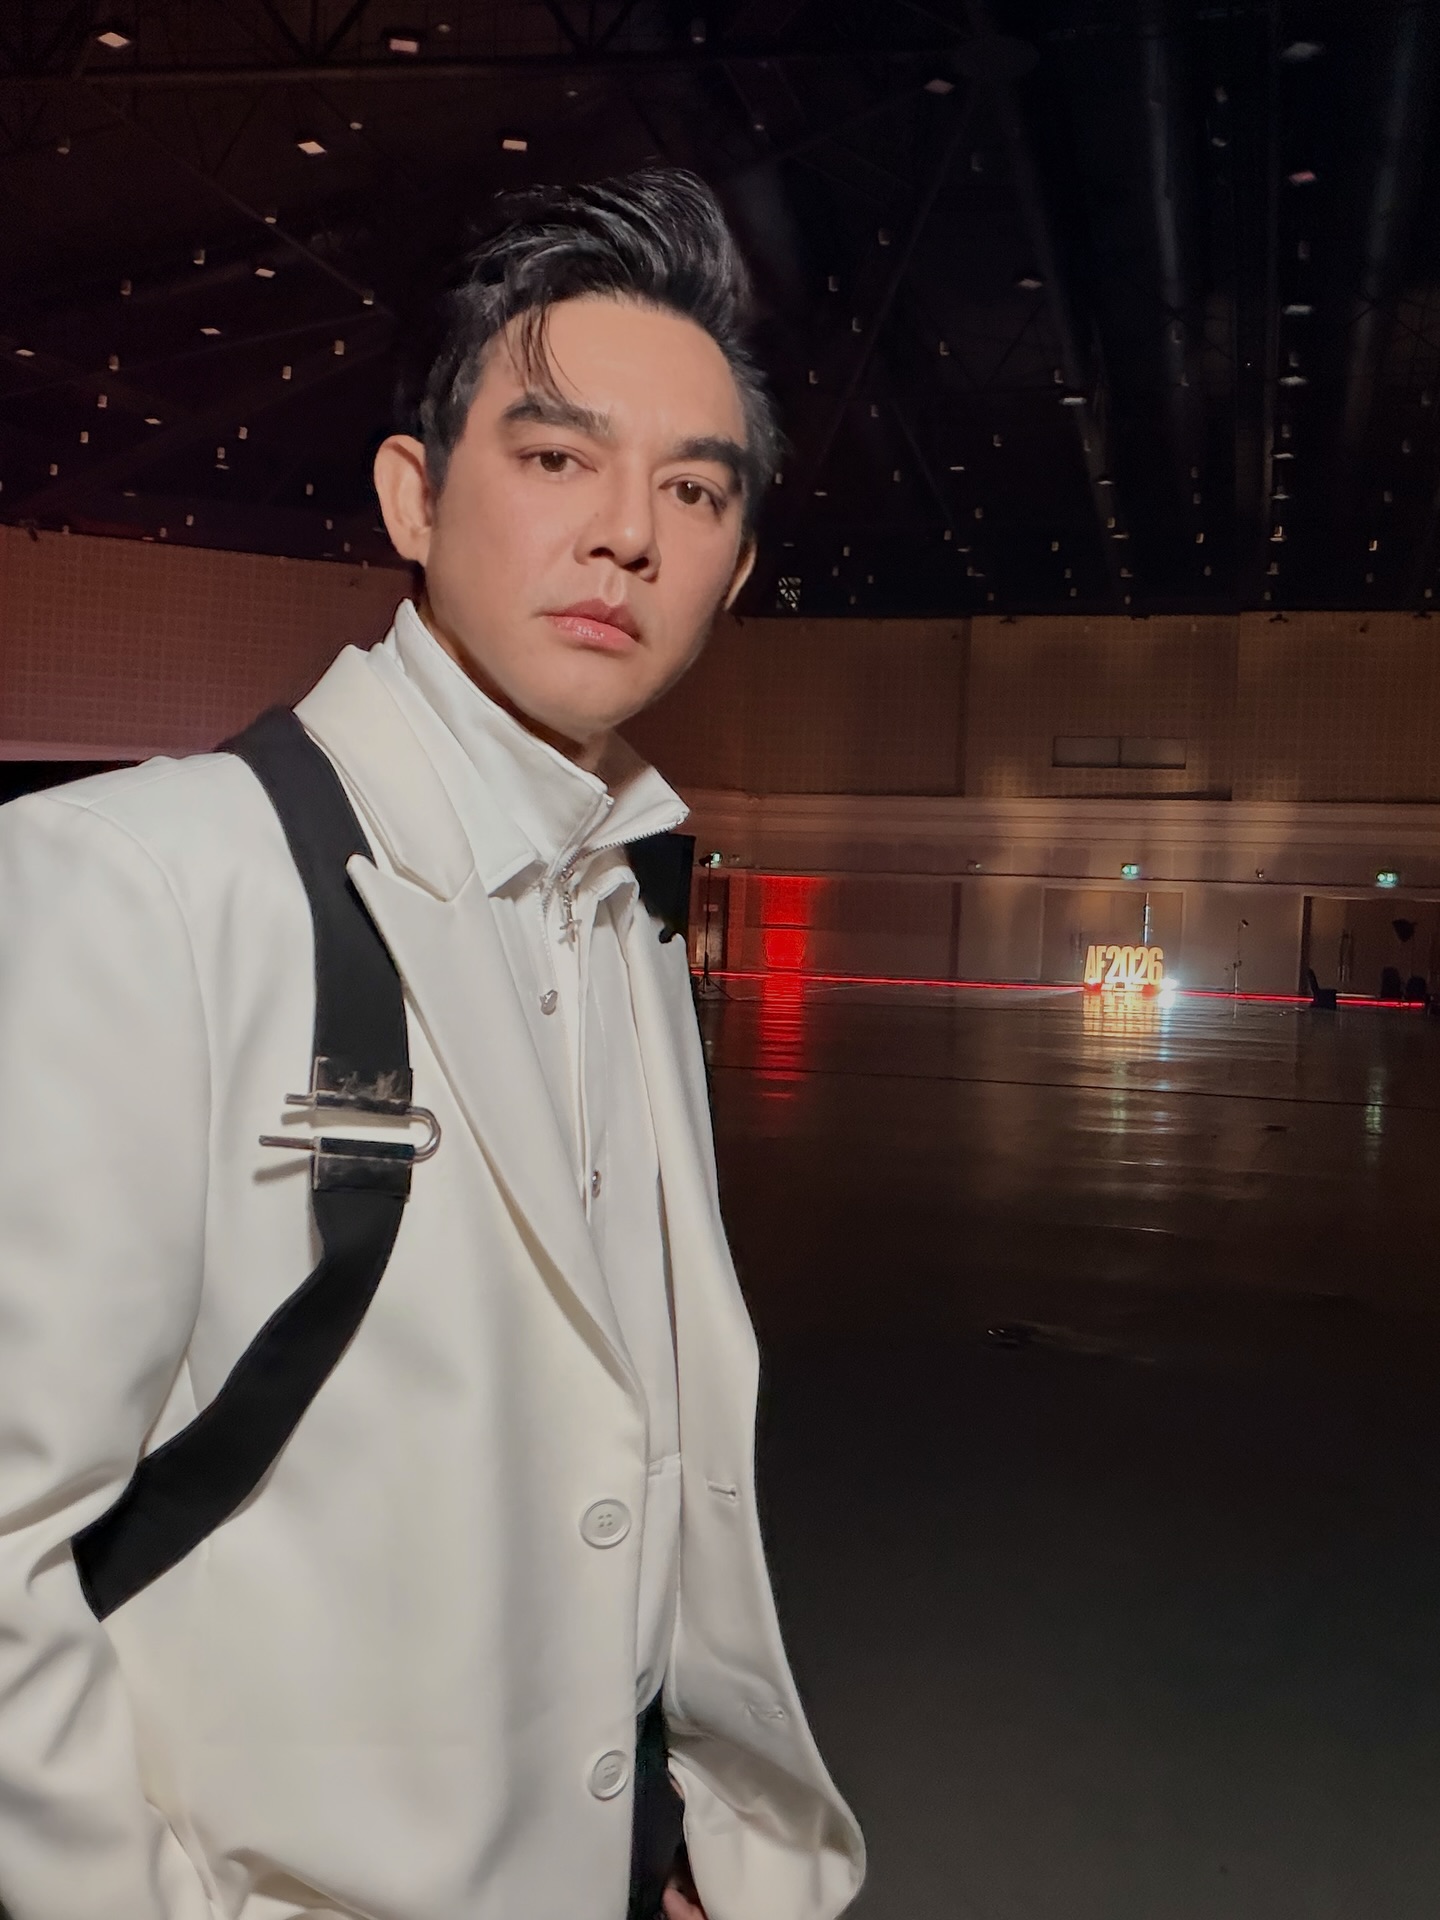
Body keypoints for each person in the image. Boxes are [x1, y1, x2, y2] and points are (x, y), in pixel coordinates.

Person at [0, 170, 864, 1920]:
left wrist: (666, 1839)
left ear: (737, 569)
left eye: (695, 491)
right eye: (555, 457)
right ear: (414, 493)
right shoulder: (140, 884)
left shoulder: (625, 917)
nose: (627, 534)